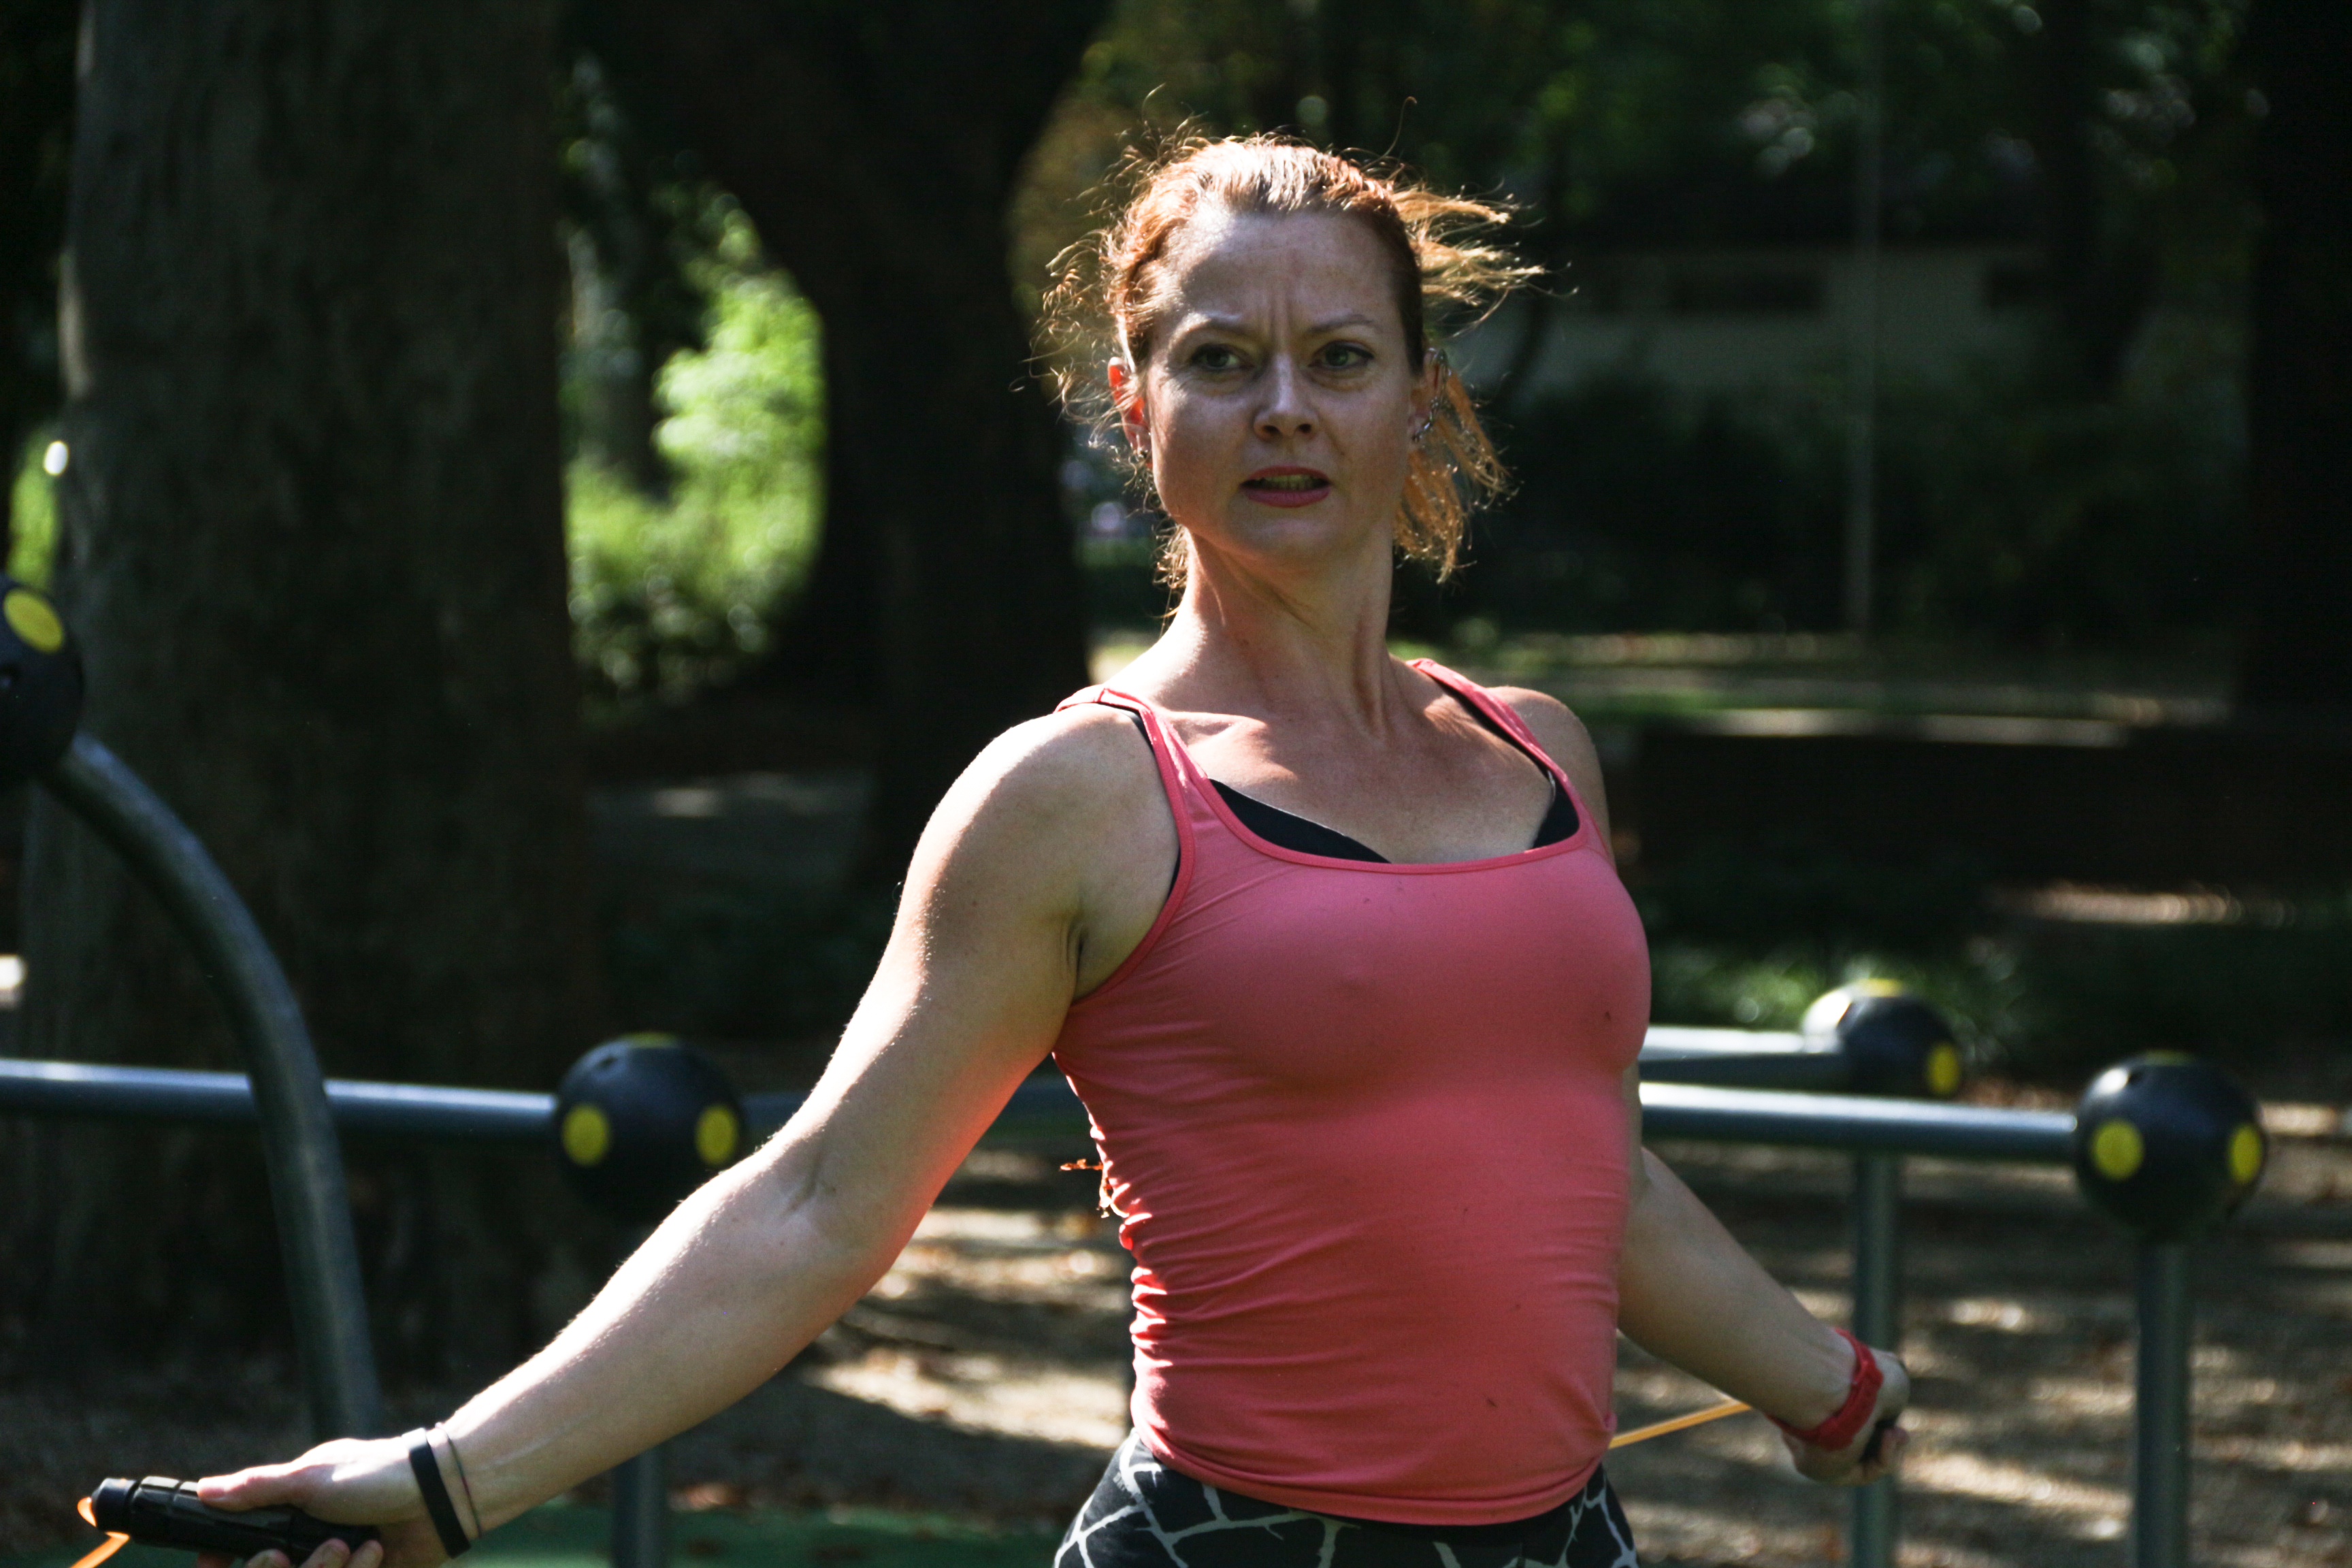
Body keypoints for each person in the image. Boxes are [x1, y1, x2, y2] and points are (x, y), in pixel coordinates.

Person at [194, 136, 1909, 1568]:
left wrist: (1824, 1384)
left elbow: (1596, 1176)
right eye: (1221, 361)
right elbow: (815, 1204)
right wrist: (448, 1479)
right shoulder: (1081, 794)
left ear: (1421, 398)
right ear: (1134, 405)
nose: (1284, 408)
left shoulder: (1538, 751)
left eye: (1340, 358)